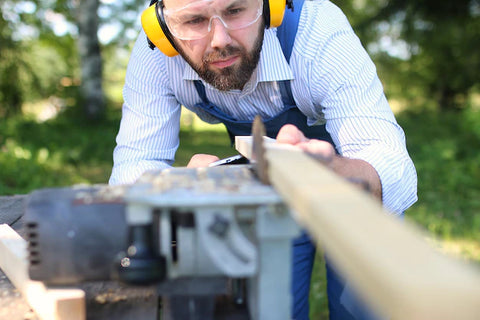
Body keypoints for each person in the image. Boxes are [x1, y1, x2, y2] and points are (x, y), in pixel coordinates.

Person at [109, 0, 418, 318]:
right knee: (272, 310)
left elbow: (391, 165)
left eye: (235, 11)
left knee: (363, 309)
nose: (220, 40)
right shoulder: (156, 54)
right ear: (160, 29)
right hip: (268, 190)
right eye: (194, 20)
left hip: (350, 180)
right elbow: (135, 165)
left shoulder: (316, 28)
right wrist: (173, 192)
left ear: (272, 7)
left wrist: (337, 175)